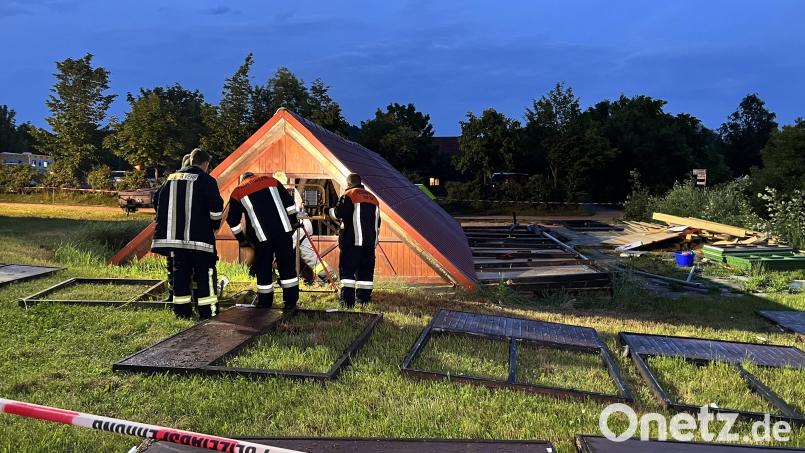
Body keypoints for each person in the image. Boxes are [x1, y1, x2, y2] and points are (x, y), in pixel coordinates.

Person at [152, 149, 224, 319]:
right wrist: (214, 225)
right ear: (205, 163)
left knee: (180, 275)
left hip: (174, 241)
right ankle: (208, 313)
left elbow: (157, 201)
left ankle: (182, 313)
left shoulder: (170, 179)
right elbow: (216, 209)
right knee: (205, 274)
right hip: (200, 240)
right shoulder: (206, 180)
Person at [226, 172, 299, 311]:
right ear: (254, 176)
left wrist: (242, 239)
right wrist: (293, 222)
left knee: (263, 268)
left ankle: (265, 303)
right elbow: (290, 204)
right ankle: (290, 302)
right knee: (287, 266)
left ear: (243, 179)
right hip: (283, 231)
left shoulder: (238, 191)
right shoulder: (271, 180)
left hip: (260, 237)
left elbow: (232, 221)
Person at [329, 173, 380, 308]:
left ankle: (347, 301)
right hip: (369, 244)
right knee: (366, 273)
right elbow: (378, 222)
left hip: (352, 243)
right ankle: (364, 300)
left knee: (347, 272)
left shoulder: (349, 195)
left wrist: (327, 210)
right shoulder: (373, 198)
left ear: (349, 183)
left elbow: (338, 213)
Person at [156, 153, 193, 303]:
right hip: (194, 236)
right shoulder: (202, 181)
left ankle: (174, 297)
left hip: (172, 235)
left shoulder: (170, 181)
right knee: (195, 269)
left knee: (174, 268)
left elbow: (157, 201)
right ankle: (193, 297)